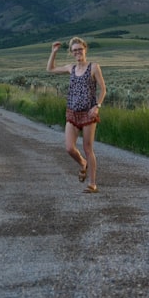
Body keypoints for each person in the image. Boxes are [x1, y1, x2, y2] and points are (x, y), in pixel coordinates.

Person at [47, 37, 106, 193]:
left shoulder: (94, 67)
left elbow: (103, 89)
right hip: (72, 113)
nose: (78, 52)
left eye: (80, 49)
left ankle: (92, 184)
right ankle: (82, 163)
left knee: (88, 148)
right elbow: (50, 69)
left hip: (88, 114)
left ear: (85, 49)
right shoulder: (71, 68)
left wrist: (97, 106)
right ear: (71, 53)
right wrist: (53, 52)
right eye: (75, 50)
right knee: (69, 148)